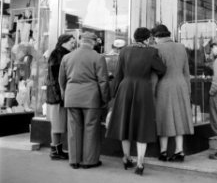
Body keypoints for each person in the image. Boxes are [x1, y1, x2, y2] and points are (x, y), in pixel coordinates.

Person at [106, 27, 166, 176]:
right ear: (147, 39)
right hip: (143, 89)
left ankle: (126, 158)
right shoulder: (151, 52)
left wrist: (114, 94)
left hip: (125, 88)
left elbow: (119, 73)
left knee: (124, 123)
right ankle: (140, 163)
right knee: (142, 126)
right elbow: (162, 69)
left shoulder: (124, 51)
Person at [59, 31, 109, 169]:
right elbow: (103, 81)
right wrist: (105, 99)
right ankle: (89, 161)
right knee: (91, 129)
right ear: (93, 42)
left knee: (73, 129)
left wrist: (66, 94)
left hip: (72, 97)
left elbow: (61, 80)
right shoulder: (98, 57)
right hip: (91, 99)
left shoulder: (67, 57)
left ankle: (74, 160)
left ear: (81, 41)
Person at [151, 24, 194, 162]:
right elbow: (186, 71)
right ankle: (179, 151)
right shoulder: (181, 47)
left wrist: (151, 91)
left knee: (163, 117)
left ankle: (163, 152)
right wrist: (188, 90)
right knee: (179, 117)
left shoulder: (156, 48)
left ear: (156, 36)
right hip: (181, 84)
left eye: (154, 38)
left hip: (164, 85)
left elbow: (154, 74)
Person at [46, 34, 75, 160]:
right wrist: (60, 95)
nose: (74, 44)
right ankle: (55, 151)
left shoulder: (60, 53)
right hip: (58, 95)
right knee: (57, 124)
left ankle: (56, 150)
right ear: (64, 42)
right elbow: (56, 78)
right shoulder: (59, 55)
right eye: (71, 42)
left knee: (58, 124)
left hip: (57, 94)